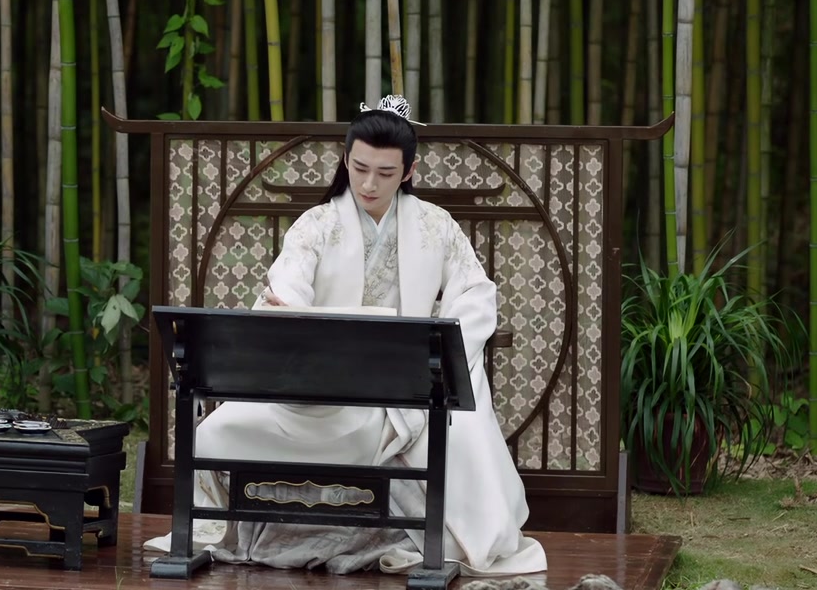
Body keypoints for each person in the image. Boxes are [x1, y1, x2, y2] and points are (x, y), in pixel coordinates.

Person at [144, 95, 547, 578]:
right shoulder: (317, 226)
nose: (369, 184)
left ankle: (426, 537)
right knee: (215, 432)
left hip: (408, 384)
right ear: (345, 159)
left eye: (385, 172)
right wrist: (291, 313)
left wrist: (437, 346)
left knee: (457, 433)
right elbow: (285, 290)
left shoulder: (435, 226)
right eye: (359, 168)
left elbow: (476, 295)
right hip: (322, 385)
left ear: (409, 171)